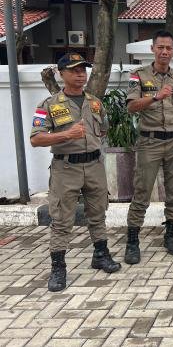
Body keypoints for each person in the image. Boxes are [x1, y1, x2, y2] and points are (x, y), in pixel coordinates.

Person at [30, 53, 121, 292]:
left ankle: (100, 255)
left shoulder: (95, 103)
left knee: (98, 213)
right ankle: (58, 268)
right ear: (61, 74)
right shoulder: (49, 105)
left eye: (83, 70)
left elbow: (103, 129)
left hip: (94, 166)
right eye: (74, 70)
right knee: (61, 219)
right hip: (66, 168)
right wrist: (66, 135)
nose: (81, 74)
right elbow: (36, 139)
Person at [124, 30, 173, 264]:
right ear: (152, 49)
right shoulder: (139, 75)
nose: (165, 51)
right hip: (150, 142)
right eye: (160, 47)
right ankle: (132, 242)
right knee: (142, 191)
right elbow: (131, 106)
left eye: (169, 48)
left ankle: (171, 236)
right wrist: (155, 97)